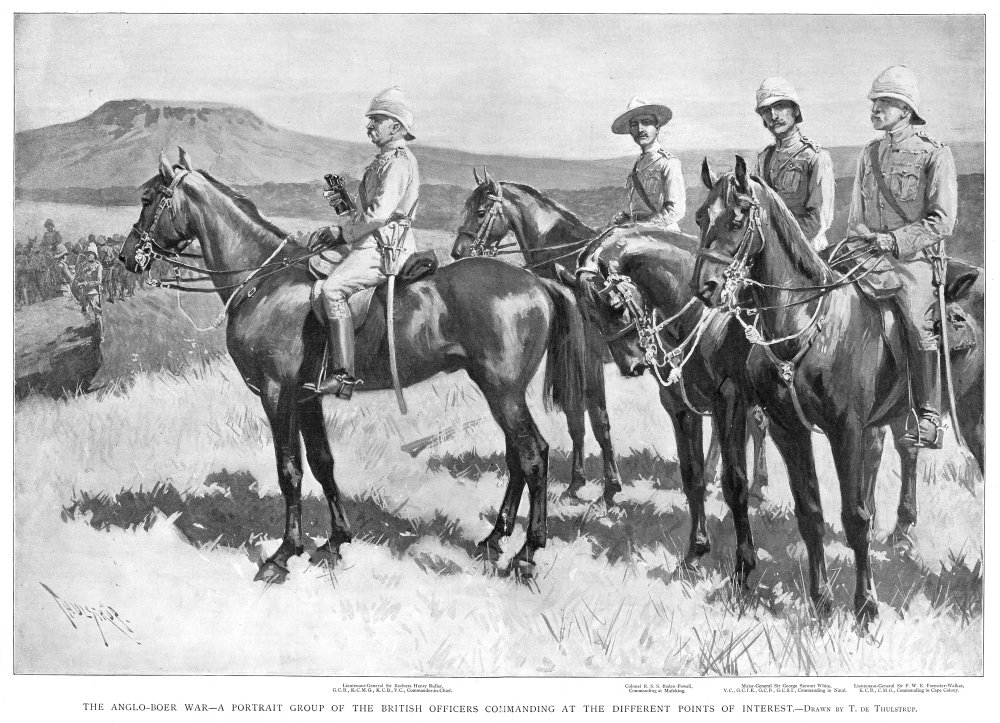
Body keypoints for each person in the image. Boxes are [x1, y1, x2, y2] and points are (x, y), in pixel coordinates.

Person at [846, 65, 957, 448]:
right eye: (875, 102)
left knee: (915, 320)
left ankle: (928, 415)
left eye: (885, 103)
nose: (875, 109)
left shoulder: (934, 154)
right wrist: (859, 241)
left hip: (913, 260)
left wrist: (893, 242)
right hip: (867, 255)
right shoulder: (869, 153)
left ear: (906, 110)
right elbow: (856, 217)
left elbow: (941, 222)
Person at [307, 87, 420, 398]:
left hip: (385, 248)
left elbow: (380, 214)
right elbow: (369, 213)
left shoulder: (397, 161)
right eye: (371, 121)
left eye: (377, 121)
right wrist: (343, 207)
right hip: (372, 241)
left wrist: (342, 233)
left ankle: (343, 375)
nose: (369, 127)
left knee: (332, 289)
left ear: (396, 127)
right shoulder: (382, 161)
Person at [752, 77, 836, 251]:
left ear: (795, 111)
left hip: (808, 251)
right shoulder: (763, 159)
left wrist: (780, 245)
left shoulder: (816, 157)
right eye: (766, 110)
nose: (773, 115)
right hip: (768, 252)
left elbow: (818, 220)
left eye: (780, 107)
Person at [610, 97, 685, 231]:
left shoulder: (668, 163)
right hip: (638, 234)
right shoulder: (638, 165)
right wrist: (628, 219)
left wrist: (642, 227)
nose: (640, 129)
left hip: (664, 234)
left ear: (657, 128)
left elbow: (676, 210)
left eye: (646, 122)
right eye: (634, 124)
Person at [74, 243, 104, 318]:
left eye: (90, 253)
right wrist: (78, 283)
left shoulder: (98, 265)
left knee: (96, 309)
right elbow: (77, 278)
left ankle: (98, 324)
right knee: (84, 312)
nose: (88, 255)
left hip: (94, 291)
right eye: (87, 253)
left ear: (94, 254)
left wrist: (87, 283)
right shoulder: (82, 265)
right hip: (83, 292)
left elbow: (98, 280)